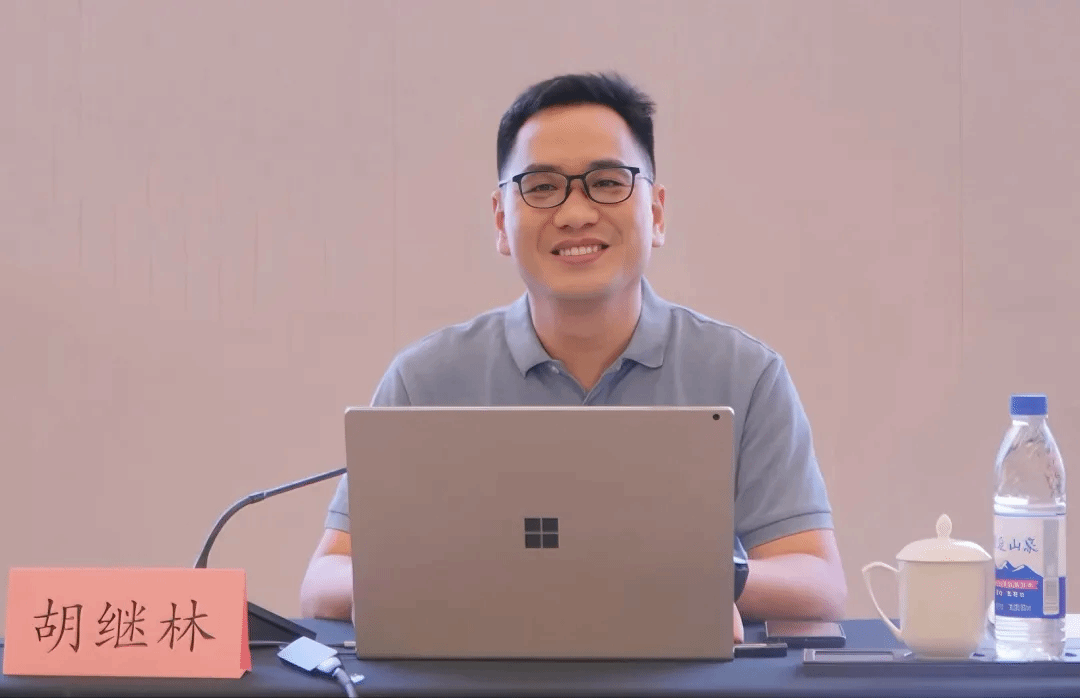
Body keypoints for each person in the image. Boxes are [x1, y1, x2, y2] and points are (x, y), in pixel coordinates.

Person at [299, 72, 847, 642]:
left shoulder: (744, 373)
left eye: (607, 183)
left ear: (656, 213)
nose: (575, 213)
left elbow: (819, 582)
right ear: (501, 221)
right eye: (541, 187)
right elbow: (324, 580)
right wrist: (465, 579)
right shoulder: (426, 379)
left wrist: (699, 580)